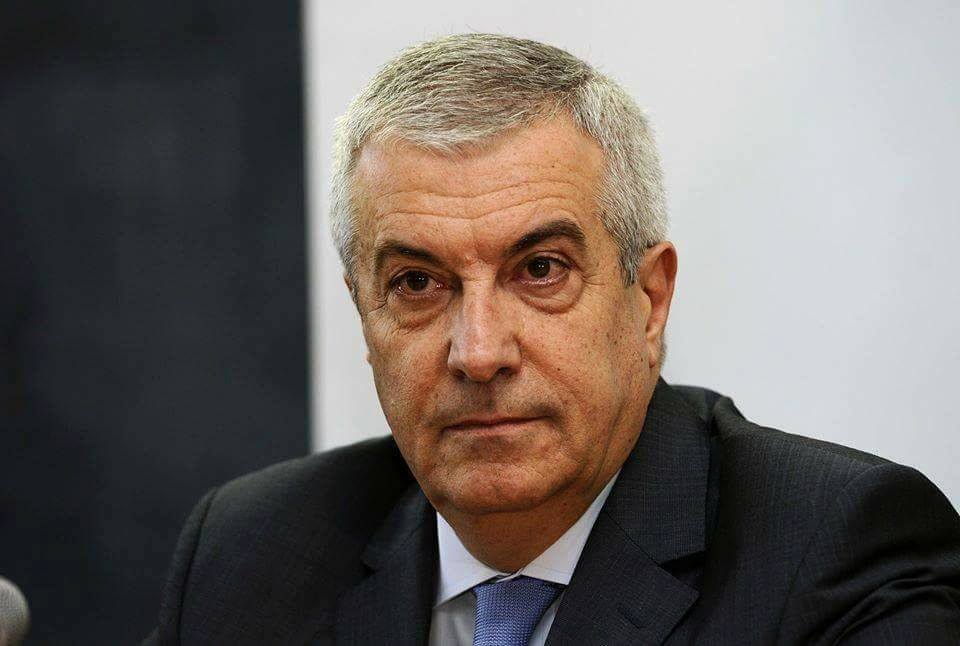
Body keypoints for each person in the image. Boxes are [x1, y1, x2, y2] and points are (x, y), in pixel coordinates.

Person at [144, 34, 960, 645]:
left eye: (540, 270)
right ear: (366, 316)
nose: (479, 353)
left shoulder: (834, 554)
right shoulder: (251, 554)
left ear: (650, 299)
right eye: (418, 284)